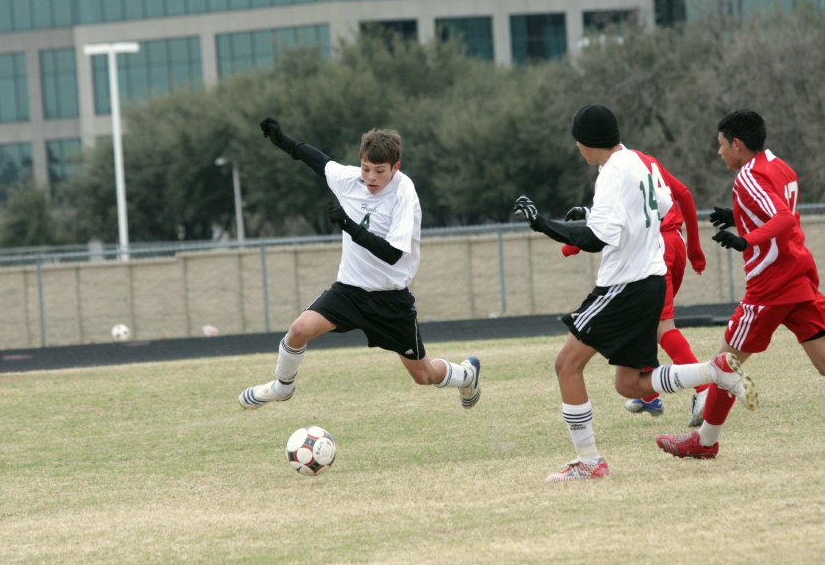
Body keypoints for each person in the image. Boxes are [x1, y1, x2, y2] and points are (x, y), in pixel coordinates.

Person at [513, 103, 756, 483]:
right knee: (629, 383)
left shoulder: (610, 174)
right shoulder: (638, 162)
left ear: (588, 142)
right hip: (652, 281)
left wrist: (544, 224)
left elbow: (597, 240)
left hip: (624, 285)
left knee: (566, 365)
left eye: (578, 142)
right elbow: (658, 208)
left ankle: (589, 462)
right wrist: (591, 214)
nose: (577, 148)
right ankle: (715, 371)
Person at [238, 118, 481, 411]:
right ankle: (282, 387)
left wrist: (349, 226)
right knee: (299, 329)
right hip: (349, 291)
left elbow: (392, 254)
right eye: (366, 168)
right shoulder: (351, 180)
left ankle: (466, 375)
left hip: (390, 300)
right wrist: (282, 140)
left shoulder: (404, 193)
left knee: (423, 375)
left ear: (395, 168)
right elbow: (318, 160)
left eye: (380, 171)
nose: (371, 177)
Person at [656, 109, 825, 459]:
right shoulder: (780, 166)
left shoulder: (747, 177)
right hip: (799, 279)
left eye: (721, 145)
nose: (719, 153)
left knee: (724, 363)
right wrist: (739, 216)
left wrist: (747, 241)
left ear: (737, 143)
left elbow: (781, 217)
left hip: (770, 288)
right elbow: (782, 211)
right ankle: (704, 441)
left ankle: (703, 443)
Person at [561, 150, 710, 426]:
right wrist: (695, 249)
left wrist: (571, 245)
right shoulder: (648, 161)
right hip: (674, 242)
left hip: (654, 247)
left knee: (662, 326)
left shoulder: (618, 169)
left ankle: (705, 389)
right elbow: (685, 195)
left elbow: (610, 226)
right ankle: (648, 394)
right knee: (645, 320)